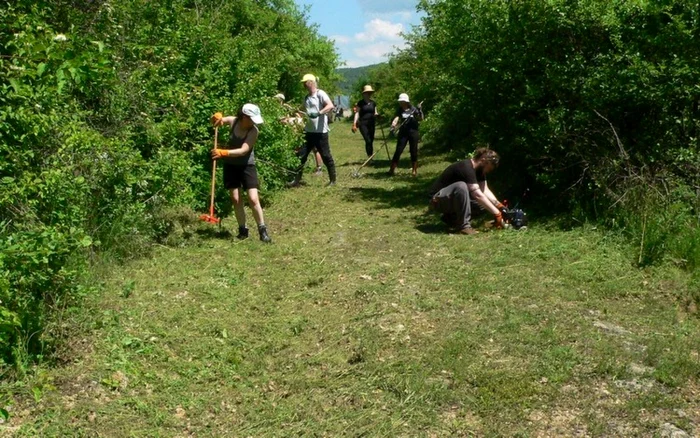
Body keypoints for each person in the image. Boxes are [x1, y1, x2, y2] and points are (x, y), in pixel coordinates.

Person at [210, 104, 272, 243]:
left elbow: (244, 150)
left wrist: (223, 152)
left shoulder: (254, 131)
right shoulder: (234, 121)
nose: (254, 122)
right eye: (252, 119)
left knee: (253, 198)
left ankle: (263, 231)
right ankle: (242, 231)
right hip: (231, 166)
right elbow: (219, 121)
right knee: (236, 199)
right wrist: (216, 118)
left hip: (247, 166)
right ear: (244, 117)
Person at [427, 148, 506, 235]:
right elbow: (477, 195)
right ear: (483, 161)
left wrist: (499, 206)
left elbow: (485, 190)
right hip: (437, 200)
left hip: (450, 200)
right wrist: (497, 213)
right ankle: (464, 227)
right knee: (461, 186)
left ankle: (451, 220)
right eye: (488, 168)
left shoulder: (479, 171)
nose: (488, 171)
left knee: (484, 205)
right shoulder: (466, 167)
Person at [288, 74, 337, 187]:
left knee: (325, 155)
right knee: (301, 156)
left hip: (320, 132)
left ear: (311, 82)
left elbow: (330, 106)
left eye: (305, 82)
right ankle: (296, 180)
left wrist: (319, 113)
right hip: (308, 132)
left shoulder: (320, 94)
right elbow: (301, 111)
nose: (304, 85)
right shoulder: (306, 97)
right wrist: (293, 114)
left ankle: (333, 181)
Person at [274, 93, 324, 176]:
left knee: (313, 148)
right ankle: (294, 168)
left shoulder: (286, 107)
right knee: (297, 149)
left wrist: (291, 120)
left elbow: (298, 114)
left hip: (296, 129)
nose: (277, 101)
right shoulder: (277, 109)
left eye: (278, 100)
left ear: (281, 100)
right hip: (290, 130)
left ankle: (318, 168)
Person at [389, 93, 423, 176]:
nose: (401, 103)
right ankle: (392, 169)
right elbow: (396, 118)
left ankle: (414, 170)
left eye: (403, 101)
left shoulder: (414, 109)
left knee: (413, 150)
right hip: (403, 132)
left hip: (413, 132)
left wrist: (419, 110)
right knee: (398, 150)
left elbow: (421, 118)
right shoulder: (400, 110)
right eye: (400, 101)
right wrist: (393, 126)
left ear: (406, 102)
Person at [352, 85, 379, 158]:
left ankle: (370, 157)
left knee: (371, 140)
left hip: (371, 123)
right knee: (368, 140)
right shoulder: (360, 103)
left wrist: (378, 116)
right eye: (367, 93)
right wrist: (354, 124)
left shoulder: (373, 103)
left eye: (369, 93)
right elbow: (357, 113)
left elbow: (375, 112)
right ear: (364, 94)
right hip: (363, 124)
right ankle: (369, 157)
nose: (368, 94)